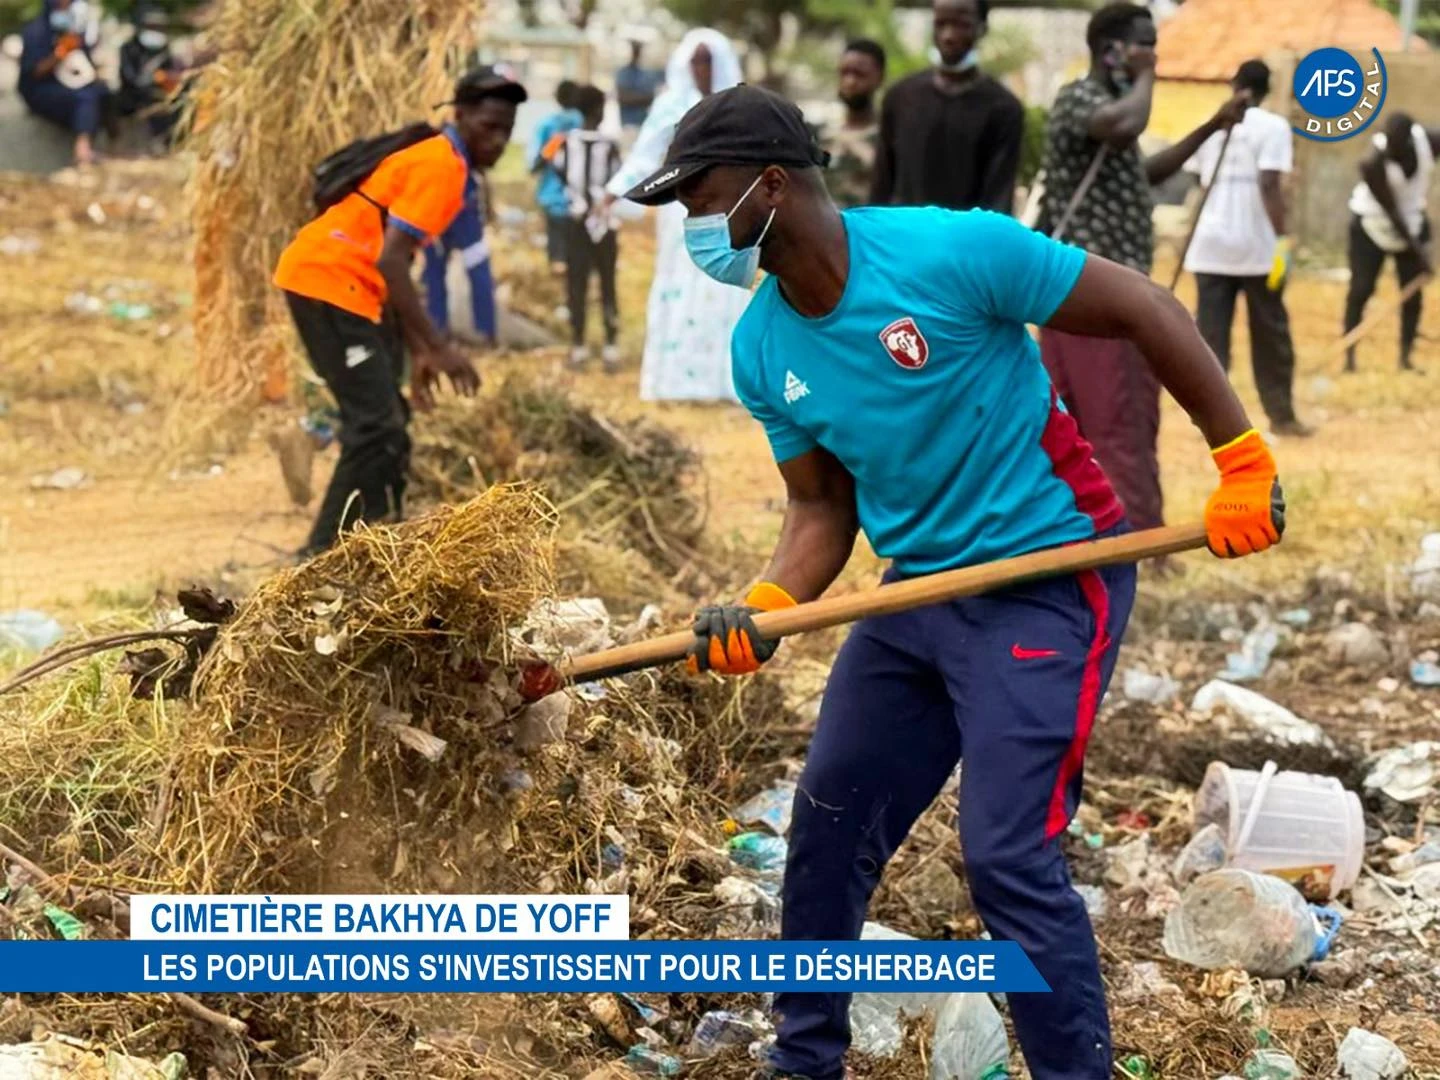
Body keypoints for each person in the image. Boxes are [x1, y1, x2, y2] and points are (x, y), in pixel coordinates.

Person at [625, 83, 1285, 1080]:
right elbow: (820, 513)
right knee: (828, 826)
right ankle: (804, 1061)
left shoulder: (948, 252)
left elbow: (1144, 307)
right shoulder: (761, 347)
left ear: (771, 185)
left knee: (1005, 855)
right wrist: (765, 606)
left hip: (1049, 580)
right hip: (916, 597)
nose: (692, 230)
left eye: (698, 201)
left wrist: (1240, 459)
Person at [272, 67, 525, 556]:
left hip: (354, 287)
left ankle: (381, 544)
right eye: (488, 126)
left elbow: (398, 261)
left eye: (506, 131)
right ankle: (318, 558)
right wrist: (439, 346)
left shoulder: (441, 159)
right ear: (460, 115)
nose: (496, 140)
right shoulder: (443, 166)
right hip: (327, 280)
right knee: (375, 428)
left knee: (391, 427)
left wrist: (419, 352)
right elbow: (391, 257)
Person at [1035, 2, 1248, 535]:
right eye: (1145, 43)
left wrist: (1211, 126)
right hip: (1101, 298)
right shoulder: (1083, 98)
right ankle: (1140, 538)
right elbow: (1127, 126)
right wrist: (1149, 74)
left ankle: (1089, 532)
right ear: (1111, 50)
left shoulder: (1111, 107)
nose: (1154, 52)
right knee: (1119, 420)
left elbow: (1142, 172)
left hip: (1074, 296)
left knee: (1077, 422)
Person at [606, 28, 750, 402]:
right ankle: (676, 382)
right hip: (681, 210)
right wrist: (614, 193)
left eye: (708, 60)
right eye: (695, 61)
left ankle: (725, 382)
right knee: (681, 287)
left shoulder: (735, 106)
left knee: (724, 289)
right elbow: (644, 156)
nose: (702, 68)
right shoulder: (671, 105)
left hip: (728, 211)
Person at [1184, 60, 1310, 436]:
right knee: (1270, 333)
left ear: (1234, 84)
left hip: (1209, 244)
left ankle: (1211, 423)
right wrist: (1283, 240)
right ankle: (1282, 417)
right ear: (1268, 89)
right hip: (1256, 247)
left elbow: (1199, 182)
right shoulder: (1273, 128)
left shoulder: (1213, 123)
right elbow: (1269, 185)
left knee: (1210, 338)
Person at [870, 0, 1023, 212]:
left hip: (964, 239)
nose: (948, 36)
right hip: (904, 237)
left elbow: (998, 200)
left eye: (961, 24)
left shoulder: (1003, 108)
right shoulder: (900, 97)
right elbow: (881, 188)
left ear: (982, 28)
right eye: (940, 24)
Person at [1343, 110, 1440, 373]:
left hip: (1411, 221)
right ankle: (1349, 357)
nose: (1392, 148)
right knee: (1361, 289)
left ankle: (1405, 358)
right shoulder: (1372, 162)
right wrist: (1421, 253)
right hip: (1371, 224)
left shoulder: (1428, 141)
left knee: (1412, 295)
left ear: (1410, 140)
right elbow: (1392, 212)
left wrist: (1422, 245)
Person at [545, 84, 623, 372]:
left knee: (576, 284)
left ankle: (578, 346)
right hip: (604, 223)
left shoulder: (566, 143)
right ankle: (610, 346)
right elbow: (618, 180)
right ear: (599, 111)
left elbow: (557, 171)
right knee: (607, 283)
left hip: (576, 223)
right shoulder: (609, 146)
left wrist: (578, 201)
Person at [17, 0, 113, 167]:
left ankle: (114, 145)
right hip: (40, 90)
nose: (67, 8)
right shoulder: (36, 31)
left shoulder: (74, 32)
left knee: (103, 92)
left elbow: (85, 67)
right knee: (85, 97)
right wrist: (60, 54)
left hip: (71, 88)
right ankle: (82, 152)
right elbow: (34, 72)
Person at [419, 169, 498, 346]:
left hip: (440, 204)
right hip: (453, 205)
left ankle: (439, 329)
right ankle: (484, 332)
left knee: (436, 271)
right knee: (472, 269)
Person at [822, 40, 886, 210]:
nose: (850, 81)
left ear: (879, 77)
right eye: (845, 73)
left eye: (860, 74)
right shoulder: (820, 135)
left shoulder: (889, 137)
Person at [531, 81, 583, 276]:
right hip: (581, 197)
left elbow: (534, 163)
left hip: (552, 194)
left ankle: (558, 267)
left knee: (556, 241)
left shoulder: (548, 125)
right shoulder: (587, 122)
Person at [117, 5, 185, 146]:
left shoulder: (164, 49)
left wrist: (167, 79)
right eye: (152, 26)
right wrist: (152, 79)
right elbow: (130, 78)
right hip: (134, 96)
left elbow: (170, 73)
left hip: (161, 92)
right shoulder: (128, 49)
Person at [615, 36, 661, 139]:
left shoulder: (646, 73)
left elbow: (651, 98)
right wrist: (640, 98)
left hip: (644, 125)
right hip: (628, 124)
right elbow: (623, 97)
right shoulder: (623, 73)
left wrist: (634, 97)